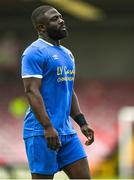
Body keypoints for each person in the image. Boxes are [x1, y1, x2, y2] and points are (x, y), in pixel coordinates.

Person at [21, 5, 94, 179]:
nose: (61, 20)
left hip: (66, 132)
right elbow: (31, 91)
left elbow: (68, 89)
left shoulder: (67, 54)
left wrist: (81, 122)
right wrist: (47, 127)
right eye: (54, 19)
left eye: (60, 17)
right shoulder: (33, 52)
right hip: (41, 132)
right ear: (41, 27)